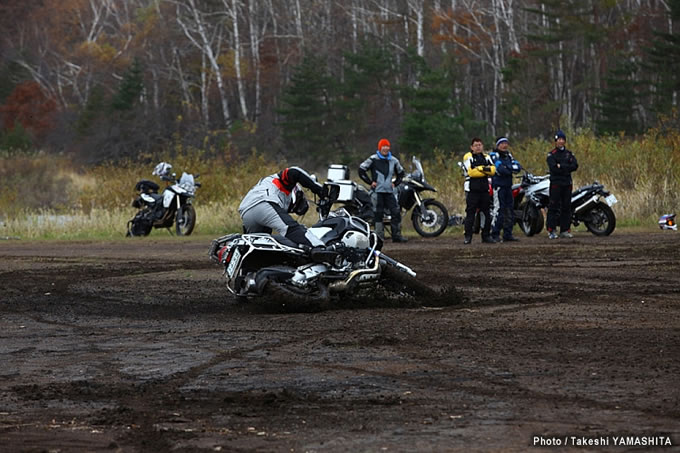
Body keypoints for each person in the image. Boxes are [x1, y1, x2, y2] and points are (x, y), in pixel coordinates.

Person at [238, 166, 325, 247]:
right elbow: (294, 171)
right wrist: (319, 190)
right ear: (297, 193)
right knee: (292, 229)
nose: (292, 209)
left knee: (258, 244)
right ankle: (319, 247)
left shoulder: (267, 184)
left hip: (246, 212)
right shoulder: (286, 184)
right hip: (264, 202)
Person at [358, 138, 408, 243]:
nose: (385, 148)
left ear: (389, 148)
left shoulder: (393, 160)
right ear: (380, 148)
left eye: (387, 146)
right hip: (377, 192)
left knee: (395, 212)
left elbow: (401, 172)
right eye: (383, 146)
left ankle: (396, 236)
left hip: (389, 192)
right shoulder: (373, 159)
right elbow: (361, 169)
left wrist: (396, 183)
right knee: (378, 213)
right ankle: (379, 237)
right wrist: (370, 182)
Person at [462, 137, 496, 244]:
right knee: (470, 213)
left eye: (480, 145)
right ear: (472, 147)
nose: (478, 147)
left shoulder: (487, 157)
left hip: (484, 188)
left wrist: (479, 168)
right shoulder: (468, 156)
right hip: (472, 189)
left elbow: (493, 170)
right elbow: (471, 173)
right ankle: (468, 236)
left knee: (486, 213)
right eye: (476, 145)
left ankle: (486, 235)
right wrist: (485, 169)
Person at [546, 130, 579, 239]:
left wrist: (562, 166)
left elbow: (575, 166)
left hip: (567, 183)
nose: (560, 142)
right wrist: (564, 167)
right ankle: (551, 230)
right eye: (558, 140)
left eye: (562, 140)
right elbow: (554, 168)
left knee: (567, 207)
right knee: (553, 207)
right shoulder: (551, 154)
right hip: (556, 184)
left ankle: (565, 229)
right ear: (555, 141)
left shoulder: (569, 154)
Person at [490, 137, 521, 242]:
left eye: (506, 143)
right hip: (499, 186)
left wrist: (508, 168)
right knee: (499, 210)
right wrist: (509, 168)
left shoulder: (509, 155)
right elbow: (499, 169)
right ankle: (495, 233)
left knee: (509, 210)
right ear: (498, 145)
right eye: (502, 143)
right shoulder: (494, 155)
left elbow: (517, 167)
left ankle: (508, 234)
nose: (504, 145)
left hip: (508, 186)